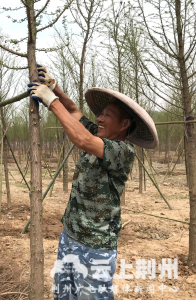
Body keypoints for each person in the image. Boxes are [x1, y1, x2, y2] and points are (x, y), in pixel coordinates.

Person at [28, 65, 158, 300]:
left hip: (95, 245)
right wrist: (55, 88)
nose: (99, 118)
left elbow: (81, 138)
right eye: (101, 114)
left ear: (125, 124)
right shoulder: (98, 134)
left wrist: (51, 102)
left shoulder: (123, 151)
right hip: (70, 235)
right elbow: (75, 111)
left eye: (107, 114)